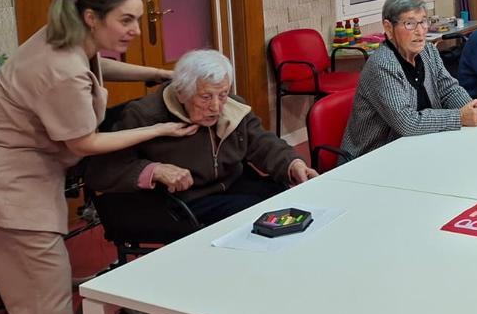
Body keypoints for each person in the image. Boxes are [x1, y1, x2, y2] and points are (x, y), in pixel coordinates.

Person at [0, 0, 197, 314]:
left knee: (45, 300)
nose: (137, 30)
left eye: (138, 20)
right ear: (92, 17)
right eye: (126, 20)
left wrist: (159, 74)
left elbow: (97, 65)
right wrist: (161, 130)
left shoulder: (66, 35)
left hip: (2, 177)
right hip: (2, 191)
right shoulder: (61, 70)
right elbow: (85, 144)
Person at [85, 50, 318, 224]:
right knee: (257, 216)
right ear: (181, 92)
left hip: (233, 184)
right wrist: (154, 170)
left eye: (223, 94)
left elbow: (262, 141)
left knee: (290, 204)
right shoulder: (145, 116)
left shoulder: (232, 107)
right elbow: (102, 171)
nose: (216, 107)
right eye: (206, 97)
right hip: (183, 201)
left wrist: (292, 163)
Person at [342, 0, 477, 158]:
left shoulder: (428, 51)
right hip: (373, 157)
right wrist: (460, 117)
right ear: (389, 28)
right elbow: (406, 122)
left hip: (419, 146)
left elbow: (449, 89)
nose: (420, 31)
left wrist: (471, 108)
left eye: (423, 22)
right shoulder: (382, 65)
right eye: (409, 24)